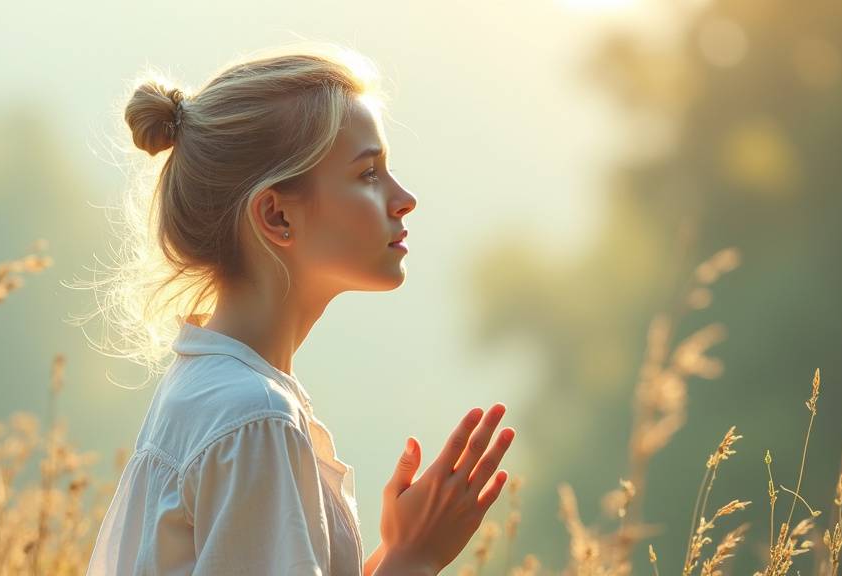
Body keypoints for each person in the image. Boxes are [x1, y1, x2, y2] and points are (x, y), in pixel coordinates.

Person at [82, 42, 516, 575]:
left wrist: (401, 548)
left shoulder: (210, 390)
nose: (405, 198)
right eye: (368, 174)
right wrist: (413, 557)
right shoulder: (254, 416)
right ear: (277, 217)